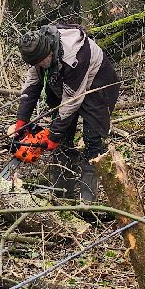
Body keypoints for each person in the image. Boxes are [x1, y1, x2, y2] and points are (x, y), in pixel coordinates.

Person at [9, 20, 120, 202]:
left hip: (98, 85)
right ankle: (62, 193)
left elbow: (71, 102)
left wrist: (53, 135)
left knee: (92, 139)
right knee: (62, 140)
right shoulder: (38, 49)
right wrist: (22, 122)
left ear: (49, 51)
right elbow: (31, 86)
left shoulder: (74, 56)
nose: (40, 65)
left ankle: (87, 200)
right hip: (66, 84)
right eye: (36, 63)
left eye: (41, 62)